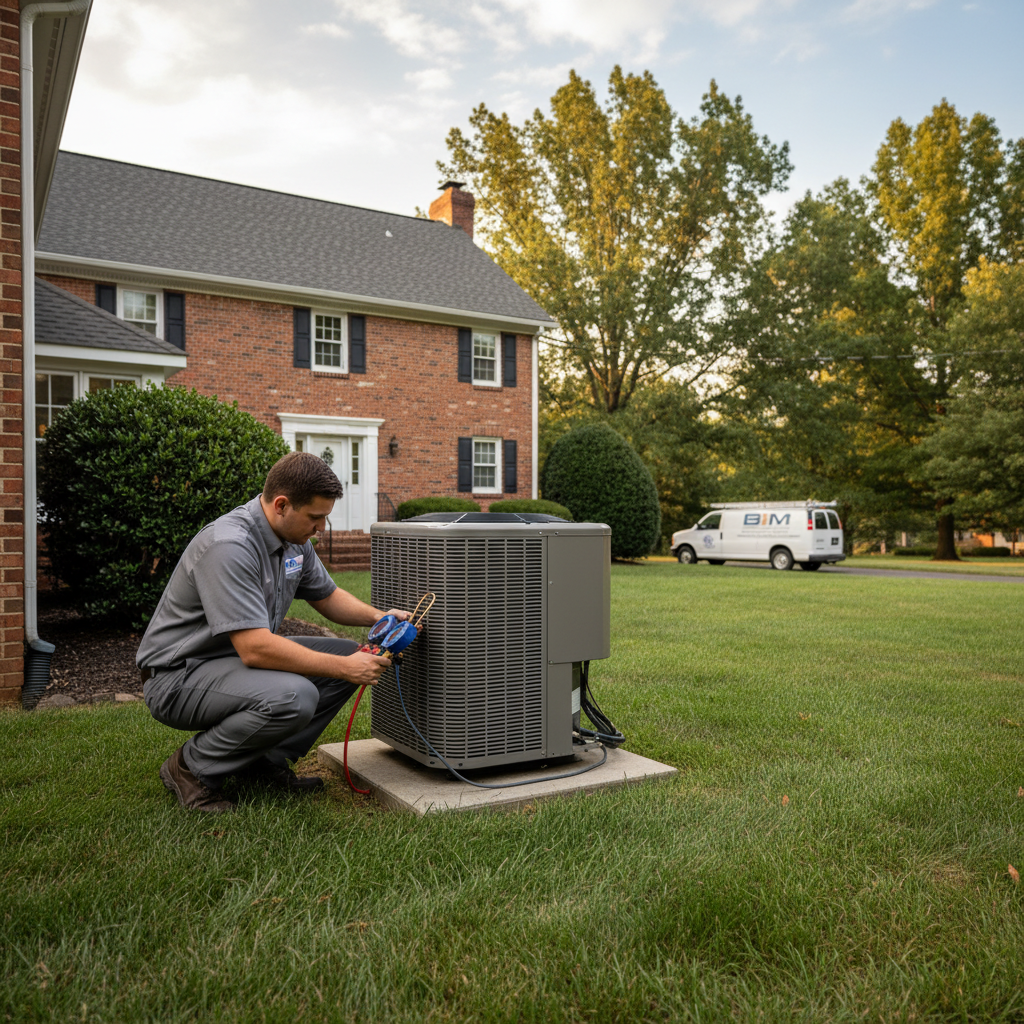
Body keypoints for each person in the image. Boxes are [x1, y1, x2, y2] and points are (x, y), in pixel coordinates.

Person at [137, 451, 409, 814]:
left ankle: (261, 761)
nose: (321, 529)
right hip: (178, 676)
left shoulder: (294, 540)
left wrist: (381, 618)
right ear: (281, 505)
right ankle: (190, 767)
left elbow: (327, 597)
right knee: (294, 696)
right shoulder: (229, 546)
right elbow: (256, 650)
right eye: (315, 518)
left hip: (232, 661)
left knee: (347, 653)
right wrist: (346, 668)